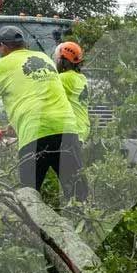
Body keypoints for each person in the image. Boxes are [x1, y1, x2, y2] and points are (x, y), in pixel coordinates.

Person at [0, 26, 78, 204]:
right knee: (77, 193)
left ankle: (34, 229)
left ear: (2, 46)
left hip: (35, 134)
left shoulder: (1, 65)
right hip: (67, 129)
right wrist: (14, 127)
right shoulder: (44, 58)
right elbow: (41, 94)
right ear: (23, 44)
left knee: (29, 199)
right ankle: (84, 227)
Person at [55, 39, 91, 200]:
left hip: (71, 131)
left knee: (71, 178)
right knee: (74, 171)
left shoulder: (64, 79)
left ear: (62, 60)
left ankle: (78, 207)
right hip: (82, 129)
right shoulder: (80, 78)